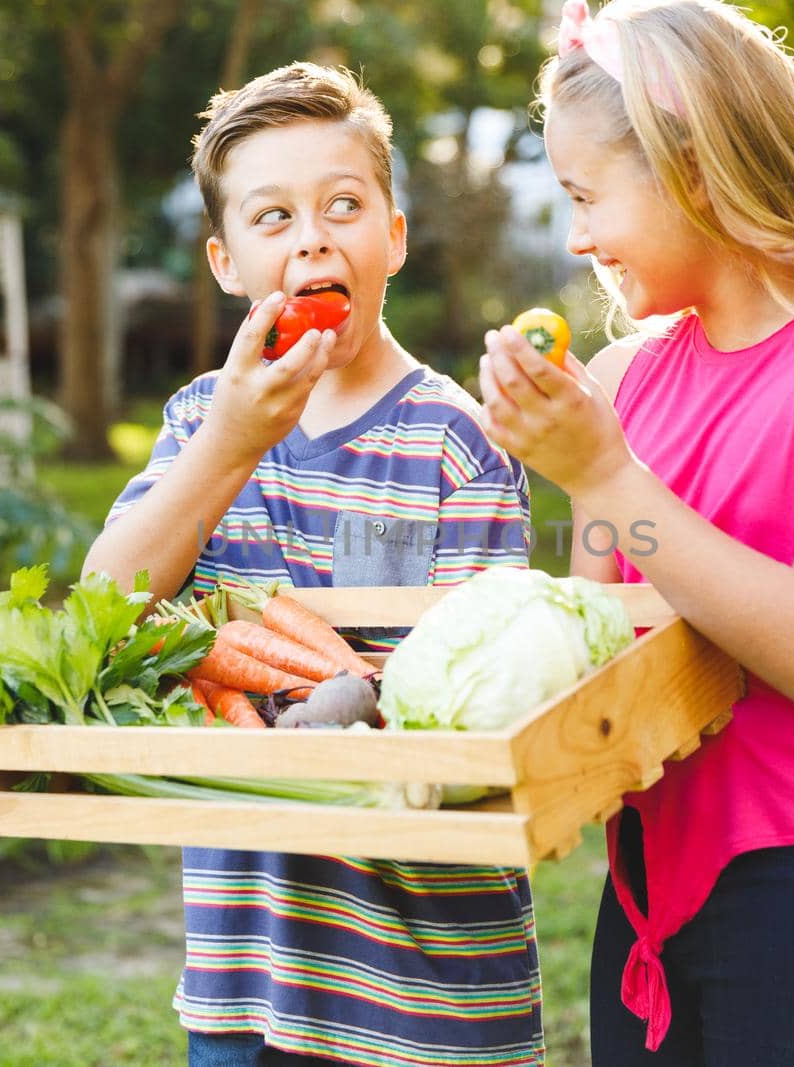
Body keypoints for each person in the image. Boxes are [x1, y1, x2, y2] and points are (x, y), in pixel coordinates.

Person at [476, 2, 794, 1063]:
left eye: (585, 196)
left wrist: (603, 471)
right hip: (651, 885)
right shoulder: (622, 379)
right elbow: (603, 658)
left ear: (692, 172)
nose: (574, 236)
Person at [81, 63, 542, 1067]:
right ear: (225, 260)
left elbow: (485, 708)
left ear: (394, 236)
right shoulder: (202, 421)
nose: (312, 235)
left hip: (428, 992)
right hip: (250, 979)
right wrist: (234, 444)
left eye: (343, 204)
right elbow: (101, 606)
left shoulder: (456, 444)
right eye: (273, 215)